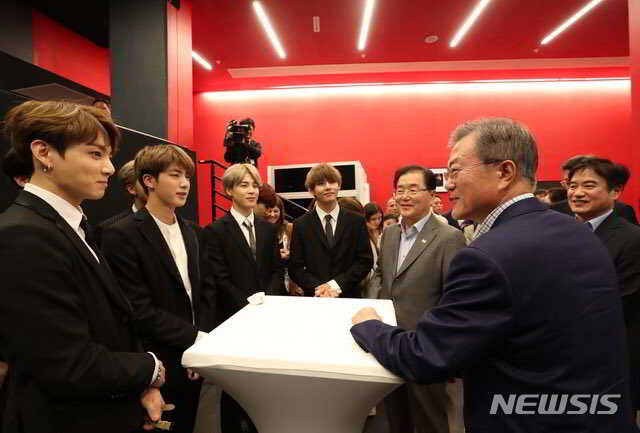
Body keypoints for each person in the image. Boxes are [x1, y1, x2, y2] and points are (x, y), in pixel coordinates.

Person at [351, 118, 636, 433]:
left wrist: (368, 325)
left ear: (504, 172)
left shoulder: (488, 255)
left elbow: (427, 356)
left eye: (455, 171)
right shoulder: (577, 232)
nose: (449, 184)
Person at [0, 100, 166, 433]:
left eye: (108, 155)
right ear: (44, 153)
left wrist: (142, 385)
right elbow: (66, 363)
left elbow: (109, 323)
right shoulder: (23, 234)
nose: (109, 168)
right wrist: (150, 368)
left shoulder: (71, 224)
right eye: (95, 154)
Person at [102, 144, 216, 433]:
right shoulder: (121, 234)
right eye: (175, 175)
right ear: (149, 180)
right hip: (155, 363)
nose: (185, 183)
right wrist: (194, 339)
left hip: (194, 357)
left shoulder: (194, 232)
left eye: (187, 177)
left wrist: (199, 346)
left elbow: (205, 292)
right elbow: (137, 309)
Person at [371, 165, 466, 433]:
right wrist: (375, 308)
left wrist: (445, 350)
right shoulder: (390, 234)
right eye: (399, 190)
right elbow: (380, 274)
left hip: (425, 347)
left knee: (429, 420)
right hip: (389, 342)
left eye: (413, 190)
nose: (404, 196)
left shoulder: (449, 238)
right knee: (395, 416)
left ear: (432, 195)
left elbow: (453, 298)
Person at [204, 163, 285, 433]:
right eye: (244, 185)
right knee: (234, 387)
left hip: (267, 316)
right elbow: (219, 278)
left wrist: (267, 302)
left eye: (254, 185)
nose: (252, 191)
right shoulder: (215, 231)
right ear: (228, 190)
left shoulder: (267, 229)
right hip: (234, 318)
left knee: (265, 383)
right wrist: (248, 307)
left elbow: (276, 270)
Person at [567, 156, 640, 418]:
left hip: (610, 359)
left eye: (589, 185)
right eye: (573, 185)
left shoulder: (632, 239)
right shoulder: (559, 231)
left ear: (615, 192)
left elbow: (622, 301)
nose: (577, 193)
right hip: (563, 358)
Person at [289, 163, 373, 298]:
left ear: (339, 185)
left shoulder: (356, 221)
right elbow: (295, 268)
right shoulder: (301, 225)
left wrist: (335, 286)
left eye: (332, 182)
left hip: (348, 295)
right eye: (321, 183)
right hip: (315, 297)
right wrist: (320, 289)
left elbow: (364, 261)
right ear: (311, 190)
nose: (328, 187)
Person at [95, 159, 148, 244]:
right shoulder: (109, 229)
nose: (153, 184)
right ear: (131, 189)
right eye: (146, 180)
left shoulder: (171, 221)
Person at [264, 196, 303, 296]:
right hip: (269, 279)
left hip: (289, 279)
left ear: (281, 212)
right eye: (269, 211)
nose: (272, 214)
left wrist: (289, 254)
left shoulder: (289, 228)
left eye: (275, 211)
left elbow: (300, 253)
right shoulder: (260, 228)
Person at [362, 202, 383, 299]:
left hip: (376, 278)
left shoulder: (380, 232)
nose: (377, 222)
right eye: (373, 219)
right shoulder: (362, 235)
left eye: (379, 218)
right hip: (367, 279)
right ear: (366, 219)